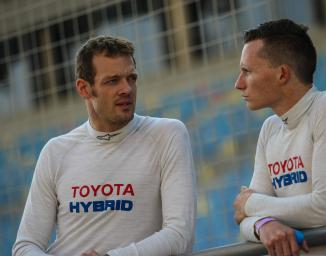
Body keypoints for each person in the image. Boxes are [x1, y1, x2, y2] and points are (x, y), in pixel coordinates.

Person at [13, 36, 196, 256]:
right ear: (84, 88)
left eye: (131, 78)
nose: (126, 89)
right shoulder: (55, 152)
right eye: (113, 81)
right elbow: (25, 247)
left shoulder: (167, 135)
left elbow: (180, 235)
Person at [232, 19, 326, 255]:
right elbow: (244, 222)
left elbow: (324, 210)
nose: (238, 84)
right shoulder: (270, 129)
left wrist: (251, 204)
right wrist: (262, 224)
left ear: (282, 74)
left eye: (247, 71)